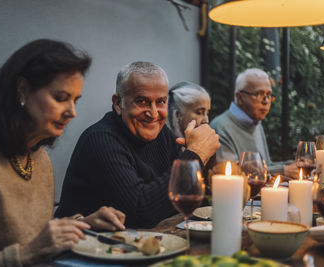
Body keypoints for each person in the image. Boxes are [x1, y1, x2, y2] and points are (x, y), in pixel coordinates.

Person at [0, 39, 126, 267]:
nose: (72, 112)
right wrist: (25, 254)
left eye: (75, 100)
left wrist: (86, 224)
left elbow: (30, 234)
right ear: (22, 90)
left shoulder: (38, 157)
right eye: (61, 98)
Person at [55, 61, 220, 228]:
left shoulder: (161, 134)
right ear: (118, 103)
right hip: (81, 248)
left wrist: (208, 155)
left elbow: (195, 197)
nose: (154, 113)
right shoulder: (100, 140)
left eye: (161, 101)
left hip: (139, 246)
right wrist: (196, 153)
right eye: (142, 101)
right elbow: (141, 212)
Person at [210, 68, 298, 177]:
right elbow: (232, 175)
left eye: (269, 95)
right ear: (240, 97)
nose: (266, 101)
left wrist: (293, 164)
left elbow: (266, 165)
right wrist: (283, 170)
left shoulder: (256, 123)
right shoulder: (220, 127)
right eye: (258, 94)